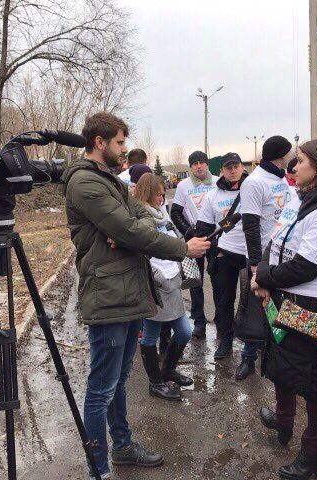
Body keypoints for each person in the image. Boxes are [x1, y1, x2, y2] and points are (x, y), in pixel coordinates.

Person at [62, 112, 210, 480]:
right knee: (101, 388)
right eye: (119, 142)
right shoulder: (84, 182)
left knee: (119, 378)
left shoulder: (108, 180)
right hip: (109, 295)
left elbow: (141, 219)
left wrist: (128, 233)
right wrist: (178, 247)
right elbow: (134, 227)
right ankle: (99, 469)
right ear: (99, 142)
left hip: (128, 290)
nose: (124, 149)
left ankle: (122, 446)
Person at [252, 138, 317, 480]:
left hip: (314, 306)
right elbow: (275, 241)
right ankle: (283, 421)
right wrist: (263, 276)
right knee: (282, 361)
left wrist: (263, 277)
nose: (293, 167)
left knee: (312, 380)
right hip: (285, 297)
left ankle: (313, 455)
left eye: (302, 161)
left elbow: (305, 267)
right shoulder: (302, 200)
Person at [238, 135, 294, 380]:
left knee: (278, 308)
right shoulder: (254, 182)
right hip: (262, 256)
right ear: (281, 155)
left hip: (284, 255)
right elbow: (249, 224)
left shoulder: (283, 181)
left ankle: (272, 356)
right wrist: (254, 262)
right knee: (255, 309)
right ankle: (248, 358)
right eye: (289, 154)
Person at [134, 173, 194, 401]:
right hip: (156, 284)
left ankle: (167, 370)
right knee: (150, 334)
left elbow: (172, 239)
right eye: (158, 194)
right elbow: (140, 250)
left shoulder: (161, 213)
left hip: (172, 282)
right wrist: (156, 276)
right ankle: (155, 382)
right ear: (148, 193)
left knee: (184, 332)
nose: (162, 197)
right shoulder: (142, 218)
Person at [195, 153, 255, 368]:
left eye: (236, 166)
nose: (232, 170)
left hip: (252, 254)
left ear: (242, 167)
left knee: (252, 303)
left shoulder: (253, 188)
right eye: (228, 167)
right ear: (221, 170)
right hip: (224, 253)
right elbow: (203, 227)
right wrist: (214, 252)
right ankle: (225, 341)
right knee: (223, 301)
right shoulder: (213, 195)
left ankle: (252, 347)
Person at [171, 151, 219, 339]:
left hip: (215, 238)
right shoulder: (183, 186)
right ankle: (199, 322)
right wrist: (188, 232)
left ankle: (221, 321)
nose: (198, 166)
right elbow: (175, 212)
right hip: (194, 239)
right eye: (194, 164)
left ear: (206, 164)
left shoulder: (217, 182)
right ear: (190, 167)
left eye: (201, 162)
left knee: (218, 281)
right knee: (195, 282)